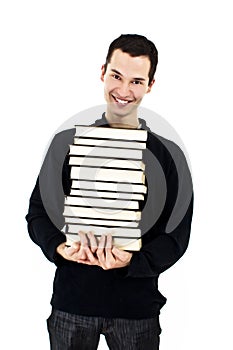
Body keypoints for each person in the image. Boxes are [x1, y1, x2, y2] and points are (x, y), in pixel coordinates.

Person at [26, 34, 193, 350]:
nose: (124, 90)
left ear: (150, 85)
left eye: (136, 81)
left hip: (137, 310)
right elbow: (38, 213)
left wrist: (131, 262)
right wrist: (60, 249)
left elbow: (176, 237)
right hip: (72, 303)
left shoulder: (168, 156)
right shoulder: (66, 145)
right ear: (102, 72)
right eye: (117, 76)